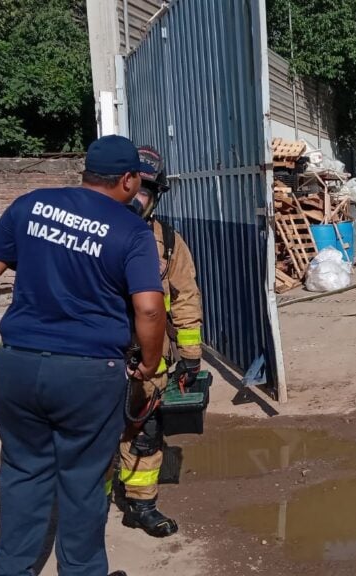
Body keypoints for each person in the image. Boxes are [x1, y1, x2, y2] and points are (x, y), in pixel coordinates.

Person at [0, 134, 166, 576]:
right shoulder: (131, 230)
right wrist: (149, 361)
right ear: (128, 180)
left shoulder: (29, 206)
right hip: (88, 374)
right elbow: (148, 307)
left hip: (16, 365)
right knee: (83, 482)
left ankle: (11, 570)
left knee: (23, 473)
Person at [112, 146, 203, 538]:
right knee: (89, 435)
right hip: (96, 359)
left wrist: (190, 354)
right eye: (130, 188)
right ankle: (88, 502)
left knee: (144, 435)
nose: (136, 198)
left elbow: (186, 298)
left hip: (148, 363)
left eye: (145, 191)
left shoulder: (166, 242)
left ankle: (140, 505)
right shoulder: (89, 235)